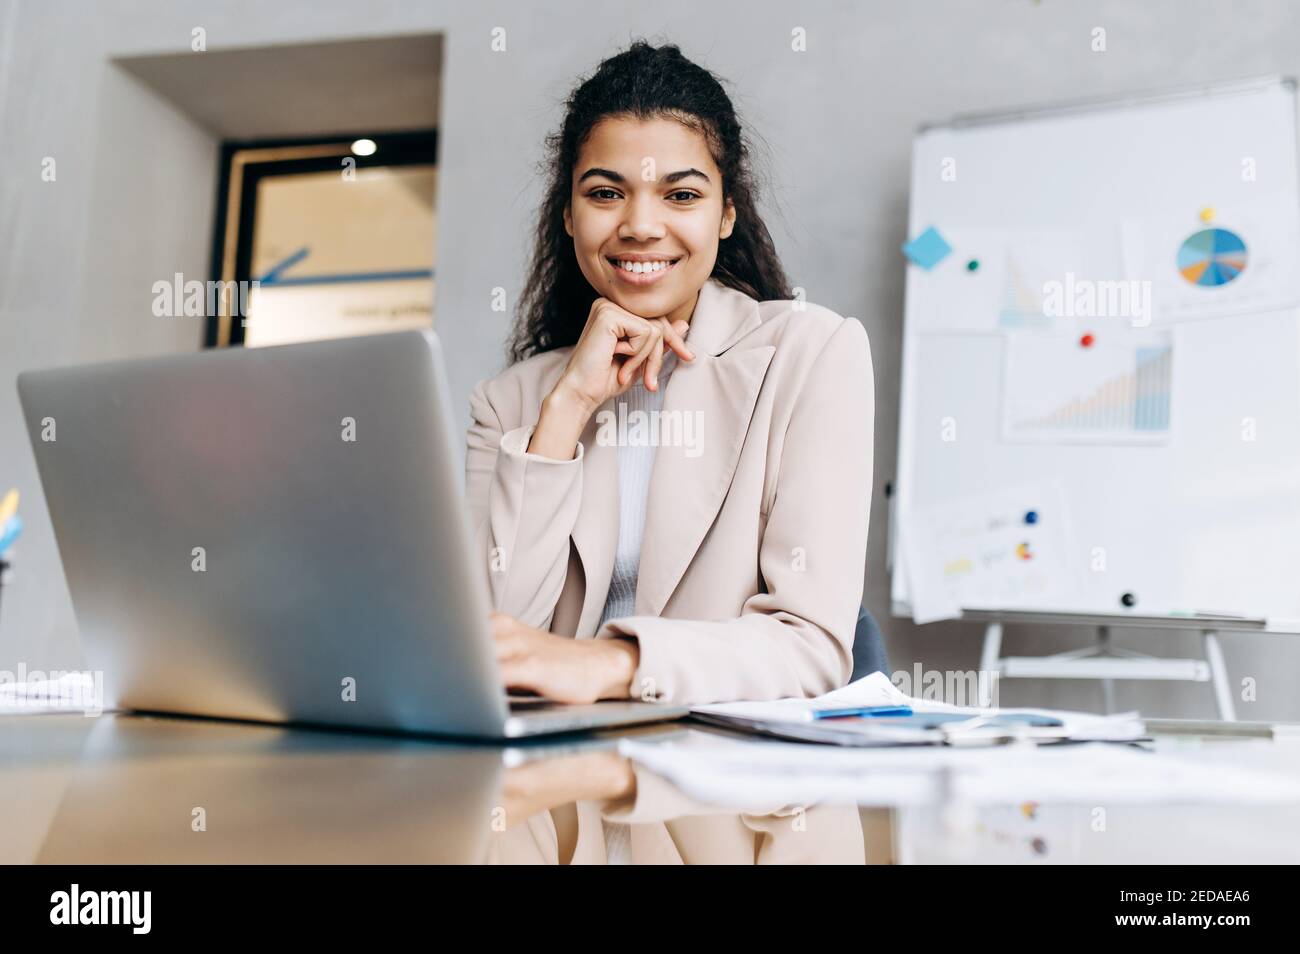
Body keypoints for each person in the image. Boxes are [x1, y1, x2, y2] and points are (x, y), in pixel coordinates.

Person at [466, 40, 874, 712]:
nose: (641, 226)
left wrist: (609, 662)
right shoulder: (508, 400)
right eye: (605, 193)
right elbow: (496, 639)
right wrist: (567, 406)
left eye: (681, 193)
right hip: (559, 786)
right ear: (568, 214)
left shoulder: (811, 353)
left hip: (730, 791)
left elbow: (810, 645)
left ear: (727, 212)